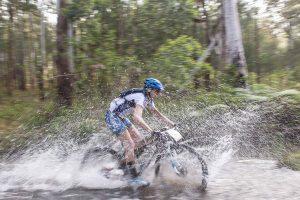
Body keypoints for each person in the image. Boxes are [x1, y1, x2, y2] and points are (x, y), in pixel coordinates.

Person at [105, 78, 175, 183]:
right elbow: (137, 118)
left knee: (140, 142)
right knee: (130, 144)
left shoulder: (148, 98)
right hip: (113, 116)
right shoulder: (141, 97)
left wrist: (172, 124)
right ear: (149, 90)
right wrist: (151, 131)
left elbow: (156, 113)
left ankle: (122, 165)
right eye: (156, 91)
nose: (158, 94)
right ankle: (133, 178)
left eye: (159, 92)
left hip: (121, 117)